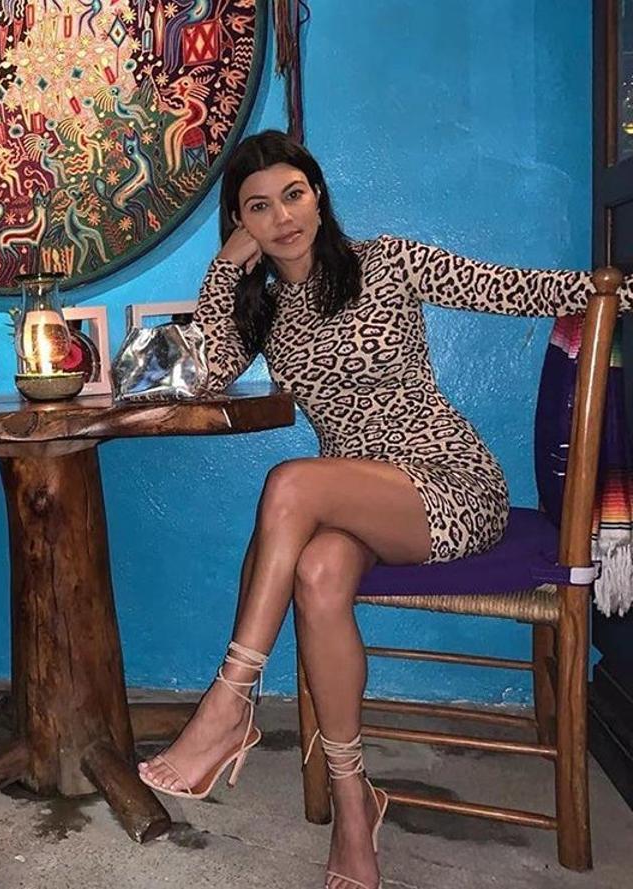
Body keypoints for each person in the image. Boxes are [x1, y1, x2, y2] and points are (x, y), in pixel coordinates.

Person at [136, 130, 632, 889]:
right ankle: (353, 802)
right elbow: (199, 374)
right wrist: (225, 270)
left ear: (318, 195)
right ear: (242, 224)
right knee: (317, 570)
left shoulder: (386, 260)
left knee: (291, 484)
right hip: (353, 506)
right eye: (258, 208)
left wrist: (608, 291)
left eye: (293, 195)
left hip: (447, 482)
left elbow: (511, 289)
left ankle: (229, 701)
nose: (282, 218)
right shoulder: (264, 314)